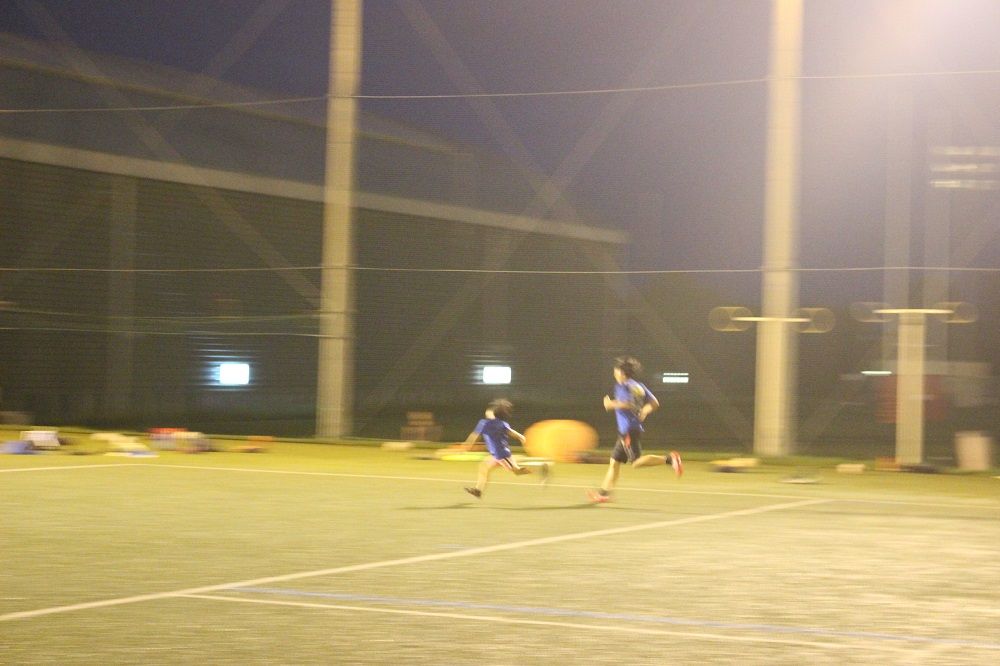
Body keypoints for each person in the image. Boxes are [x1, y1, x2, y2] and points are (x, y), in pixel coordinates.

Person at [588, 356, 682, 503]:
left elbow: (629, 403)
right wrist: (644, 411)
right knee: (614, 462)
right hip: (628, 430)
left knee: (636, 462)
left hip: (628, 430)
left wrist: (611, 404)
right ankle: (604, 494)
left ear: (621, 372)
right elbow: (654, 403)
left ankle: (670, 459)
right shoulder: (638, 386)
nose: (614, 372)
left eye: (616, 369)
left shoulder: (624, 386)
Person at [462, 398, 547, 498]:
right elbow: (511, 432)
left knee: (517, 471)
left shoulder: (484, 423)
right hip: (499, 454)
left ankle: (540, 469)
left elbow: (475, 435)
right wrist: (521, 437)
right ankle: (478, 490)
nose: (488, 410)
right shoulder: (502, 423)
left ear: (493, 413)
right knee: (484, 467)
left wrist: (467, 445)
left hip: (501, 455)